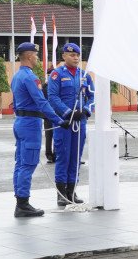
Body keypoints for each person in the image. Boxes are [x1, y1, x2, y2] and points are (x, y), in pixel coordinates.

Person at [11, 42, 67, 217]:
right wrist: (59, 120)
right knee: (28, 164)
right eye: (35, 55)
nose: (37, 58)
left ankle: (20, 201)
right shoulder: (30, 77)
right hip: (30, 124)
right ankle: (23, 204)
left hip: (20, 122)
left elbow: (16, 102)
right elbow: (41, 102)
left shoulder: (16, 76)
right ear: (29, 56)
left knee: (20, 163)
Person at [48, 43, 94, 207]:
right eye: (72, 55)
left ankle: (72, 191)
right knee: (63, 156)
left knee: (76, 157)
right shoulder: (57, 74)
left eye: (77, 55)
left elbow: (92, 96)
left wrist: (86, 110)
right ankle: (61, 193)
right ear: (64, 56)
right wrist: (68, 112)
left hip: (80, 122)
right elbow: (52, 97)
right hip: (64, 123)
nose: (76, 58)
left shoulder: (84, 75)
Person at [43, 67, 56, 163]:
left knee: (56, 135)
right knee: (49, 135)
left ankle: (55, 154)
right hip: (48, 115)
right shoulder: (44, 86)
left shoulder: (56, 85)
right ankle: (49, 155)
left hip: (56, 114)